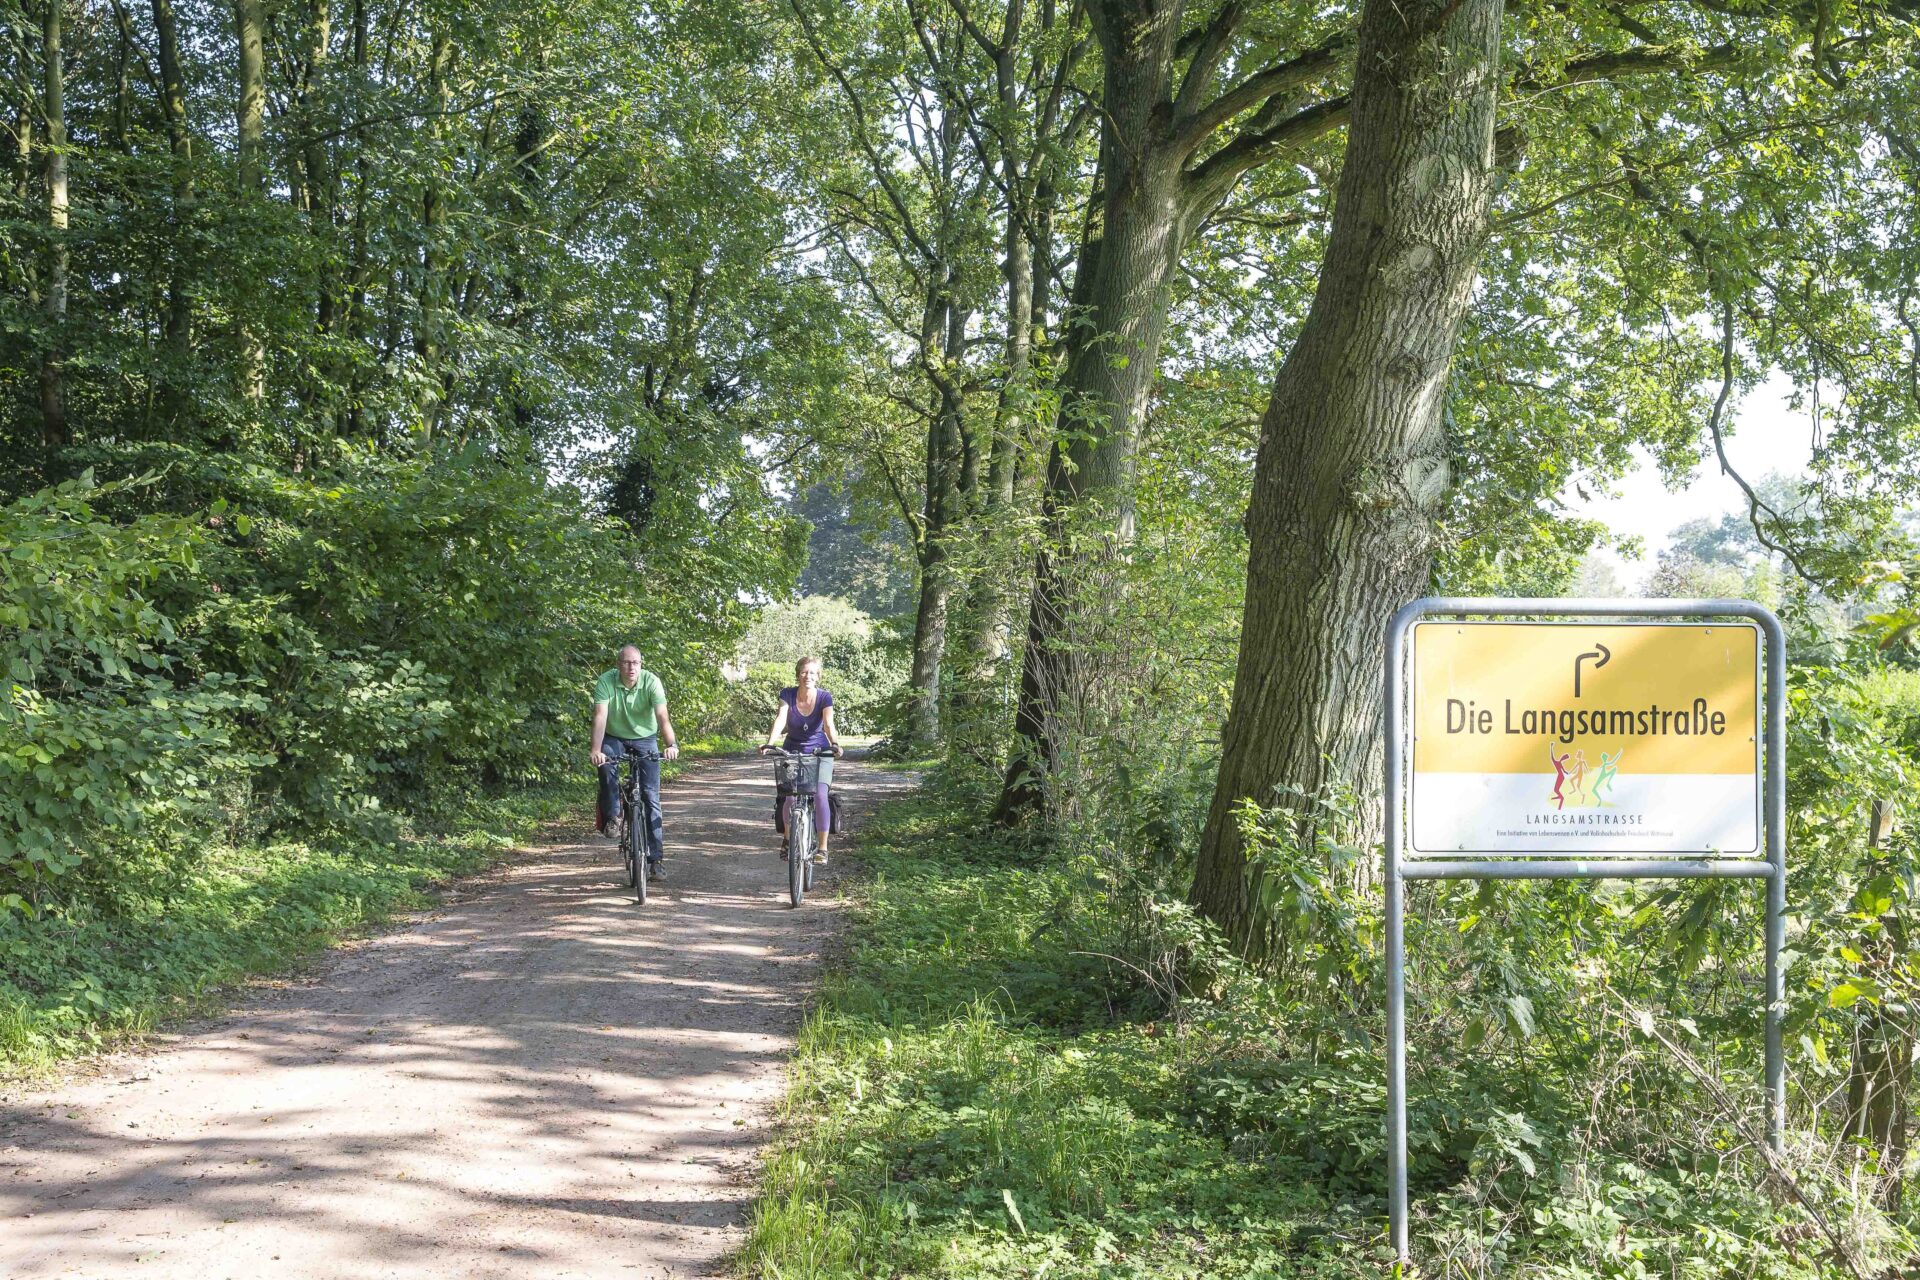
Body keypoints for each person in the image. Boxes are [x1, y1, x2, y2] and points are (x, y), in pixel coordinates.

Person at [590, 645, 680, 880]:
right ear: (618, 664)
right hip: (614, 736)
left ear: (641, 664)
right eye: (626, 663)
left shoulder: (651, 682)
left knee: (651, 796)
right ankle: (614, 816)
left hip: (645, 738)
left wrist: (671, 745)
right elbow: (600, 717)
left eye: (636, 663)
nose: (631, 667)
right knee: (606, 765)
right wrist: (596, 750)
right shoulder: (606, 681)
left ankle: (656, 860)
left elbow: (663, 717)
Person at [760, 656, 843, 863]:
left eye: (813, 673)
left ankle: (822, 849)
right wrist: (770, 743)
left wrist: (835, 744)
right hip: (792, 751)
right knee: (789, 796)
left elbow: (828, 724)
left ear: (818, 676)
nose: (808, 676)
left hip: (820, 753)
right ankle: (788, 839)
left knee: (820, 795)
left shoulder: (825, 697)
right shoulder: (787, 694)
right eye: (804, 672)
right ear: (798, 674)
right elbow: (781, 719)